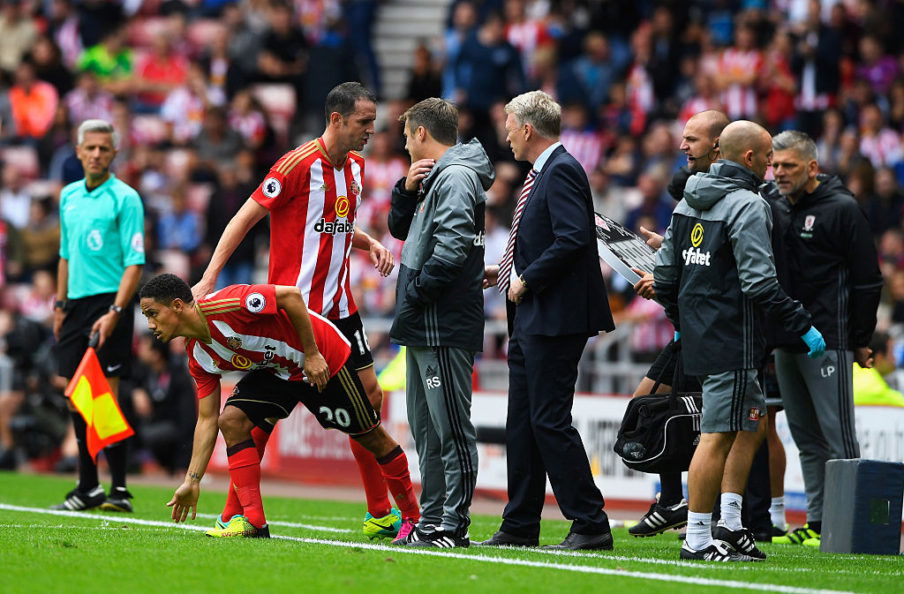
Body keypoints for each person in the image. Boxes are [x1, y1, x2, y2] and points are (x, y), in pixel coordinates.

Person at [191, 81, 402, 539]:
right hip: (293, 315)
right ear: (336, 120)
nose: (372, 130)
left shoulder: (357, 167)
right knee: (258, 411)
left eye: (373, 121)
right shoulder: (295, 165)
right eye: (364, 122)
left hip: (341, 310)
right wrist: (209, 278)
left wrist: (367, 243)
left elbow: (337, 224)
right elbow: (243, 218)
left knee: (370, 400)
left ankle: (379, 514)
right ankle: (237, 512)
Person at [654, 120, 826, 562]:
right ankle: (696, 538)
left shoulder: (687, 202)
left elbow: (665, 276)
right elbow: (759, 283)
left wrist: (682, 321)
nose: (771, 166)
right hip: (735, 336)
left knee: (745, 426)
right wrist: (802, 324)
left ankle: (731, 525)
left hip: (704, 334)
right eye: (769, 158)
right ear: (749, 158)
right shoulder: (749, 205)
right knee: (716, 435)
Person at [140, 274, 420, 539]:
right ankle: (253, 521)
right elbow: (206, 420)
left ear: (177, 306)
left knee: (372, 437)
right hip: (277, 371)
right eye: (146, 317)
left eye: (152, 313)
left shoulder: (228, 304)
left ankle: (412, 519)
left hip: (321, 358)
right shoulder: (198, 356)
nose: (150, 324)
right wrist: (192, 480)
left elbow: (291, 296)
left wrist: (311, 354)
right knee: (231, 421)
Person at [480, 90, 615, 550]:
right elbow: (544, 239)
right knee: (523, 421)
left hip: (556, 317)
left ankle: (591, 522)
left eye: (509, 127)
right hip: (534, 314)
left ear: (528, 128)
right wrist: (503, 272)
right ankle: (520, 523)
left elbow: (574, 238)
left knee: (548, 420)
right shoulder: (545, 171)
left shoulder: (561, 170)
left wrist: (528, 279)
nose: (506, 136)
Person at [387, 98, 494, 547]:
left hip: (440, 322)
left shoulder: (455, 177)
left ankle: (454, 524)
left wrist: (414, 295)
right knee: (427, 432)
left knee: (450, 428)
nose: (405, 144)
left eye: (407, 135)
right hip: (424, 324)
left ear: (422, 134)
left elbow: (450, 250)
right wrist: (405, 192)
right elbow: (402, 231)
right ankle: (430, 521)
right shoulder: (435, 178)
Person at [769, 130, 883, 547]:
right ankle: (817, 524)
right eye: (775, 165)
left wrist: (860, 338)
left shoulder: (842, 209)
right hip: (788, 339)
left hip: (829, 339)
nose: (779, 173)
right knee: (804, 436)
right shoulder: (777, 205)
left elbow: (868, 281)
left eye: (789, 166)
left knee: (839, 437)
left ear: (812, 167)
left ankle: (851, 527)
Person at [627, 109, 728, 538]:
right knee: (644, 410)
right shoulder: (694, 206)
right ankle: (673, 500)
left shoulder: (731, 203)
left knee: (711, 427)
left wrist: (664, 282)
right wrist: (664, 248)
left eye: (691, 139)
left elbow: (710, 273)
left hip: (710, 335)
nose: (682, 147)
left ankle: (720, 513)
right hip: (686, 333)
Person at [51, 119, 145, 512]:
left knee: (106, 396)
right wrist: (59, 306)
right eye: (90, 148)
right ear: (78, 151)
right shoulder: (68, 196)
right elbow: (65, 255)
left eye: (103, 149)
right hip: (75, 305)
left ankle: (119, 489)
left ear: (114, 153)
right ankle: (88, 486)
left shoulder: (125, 198)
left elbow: (135, 263)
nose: (96, 154)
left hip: (111, 303)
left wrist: (116, 311)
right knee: (77, 398)